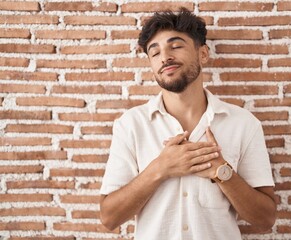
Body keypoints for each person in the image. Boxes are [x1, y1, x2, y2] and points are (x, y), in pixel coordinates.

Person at [99, 7, 276, 240]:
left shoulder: (244, 124)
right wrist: (160, 169)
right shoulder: (130, 125)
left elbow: (265, 220)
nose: (165, 57)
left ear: (203, 54)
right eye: (155, 52)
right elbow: (110, 218)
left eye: (176, 46)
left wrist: (223, 173)